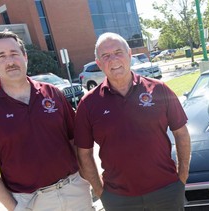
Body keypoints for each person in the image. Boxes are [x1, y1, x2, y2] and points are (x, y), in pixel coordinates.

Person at [0, 29, 94, 211]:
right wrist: (15, 207)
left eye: (14, 53)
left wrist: (85, 181)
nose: (10, 61)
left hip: (74, 191)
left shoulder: (52, 93)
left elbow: (76, 142)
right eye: (1, 56)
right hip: (30, 202)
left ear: (25, 56)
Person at [74, 32, 191, 211]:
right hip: (119, 200)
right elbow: (84, 154)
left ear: (129, 54)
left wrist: (181, 178)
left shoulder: (159, 90)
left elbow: (181, 134)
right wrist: (101, 192)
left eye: (118, 52)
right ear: (98, 63)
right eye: (105, 56)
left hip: (166, 192)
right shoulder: (88, 104)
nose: (113, 60)